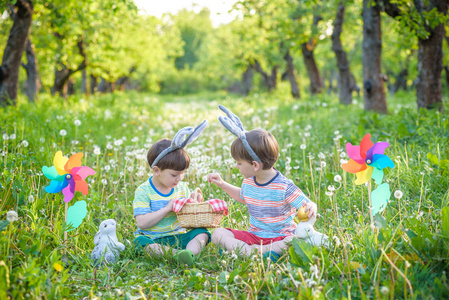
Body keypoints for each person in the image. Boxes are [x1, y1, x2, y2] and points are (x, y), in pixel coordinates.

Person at [207, 106, 317, 262]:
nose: (237, 166)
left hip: (280, 237)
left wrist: (312, 206)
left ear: (255, 165)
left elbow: (307, 204)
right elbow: (243, 196)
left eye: (239, 163)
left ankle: (244, 251)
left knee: (293, 240)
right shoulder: (249, 181)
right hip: (254, 236)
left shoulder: (284, 186)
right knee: (217, 234)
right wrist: (223, 184)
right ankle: (256, 252)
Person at [133, 122, 210, 266]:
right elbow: (142, 223)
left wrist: (195, 205)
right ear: (156, 171)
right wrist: (167, 208)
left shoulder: (181, 187)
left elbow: (189, 220)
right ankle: (177, 255)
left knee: (201, 232)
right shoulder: (143, 191)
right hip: (154, 239)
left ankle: (188, 254)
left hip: (178, 236)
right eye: (174, 174)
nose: (179, 178)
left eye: (182, 173)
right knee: (140, 243)